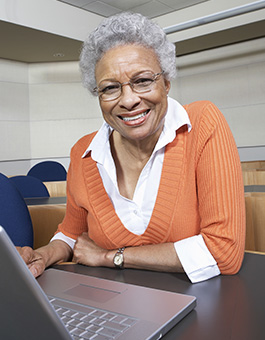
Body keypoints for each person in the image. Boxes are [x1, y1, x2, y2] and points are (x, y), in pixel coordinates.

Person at [18, 12, 245, 283]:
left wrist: (110, 256)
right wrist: (44, 255)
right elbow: (71, 233)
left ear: (166, 83)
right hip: (111, 306)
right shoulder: (84, 152)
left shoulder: (202, 123)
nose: (128, 100)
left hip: (199, 308)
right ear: (98, 95)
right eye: (111, 88)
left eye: (142, 81)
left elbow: (224, 252)